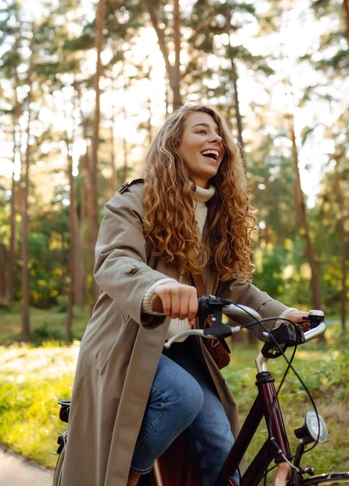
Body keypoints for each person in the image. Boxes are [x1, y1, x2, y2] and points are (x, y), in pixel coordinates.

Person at [60, 104, 308, 486]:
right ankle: (124, 478)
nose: (216, 140)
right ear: (174, 145)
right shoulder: (136, 200)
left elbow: (234, 286)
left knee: (222, 446)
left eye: (219, 134)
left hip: (183, 348)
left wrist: (282, 315)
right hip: (127, 342)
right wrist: (157, 287)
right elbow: (114, 259)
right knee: (182, 396)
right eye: (202, 131)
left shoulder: (219, 215)